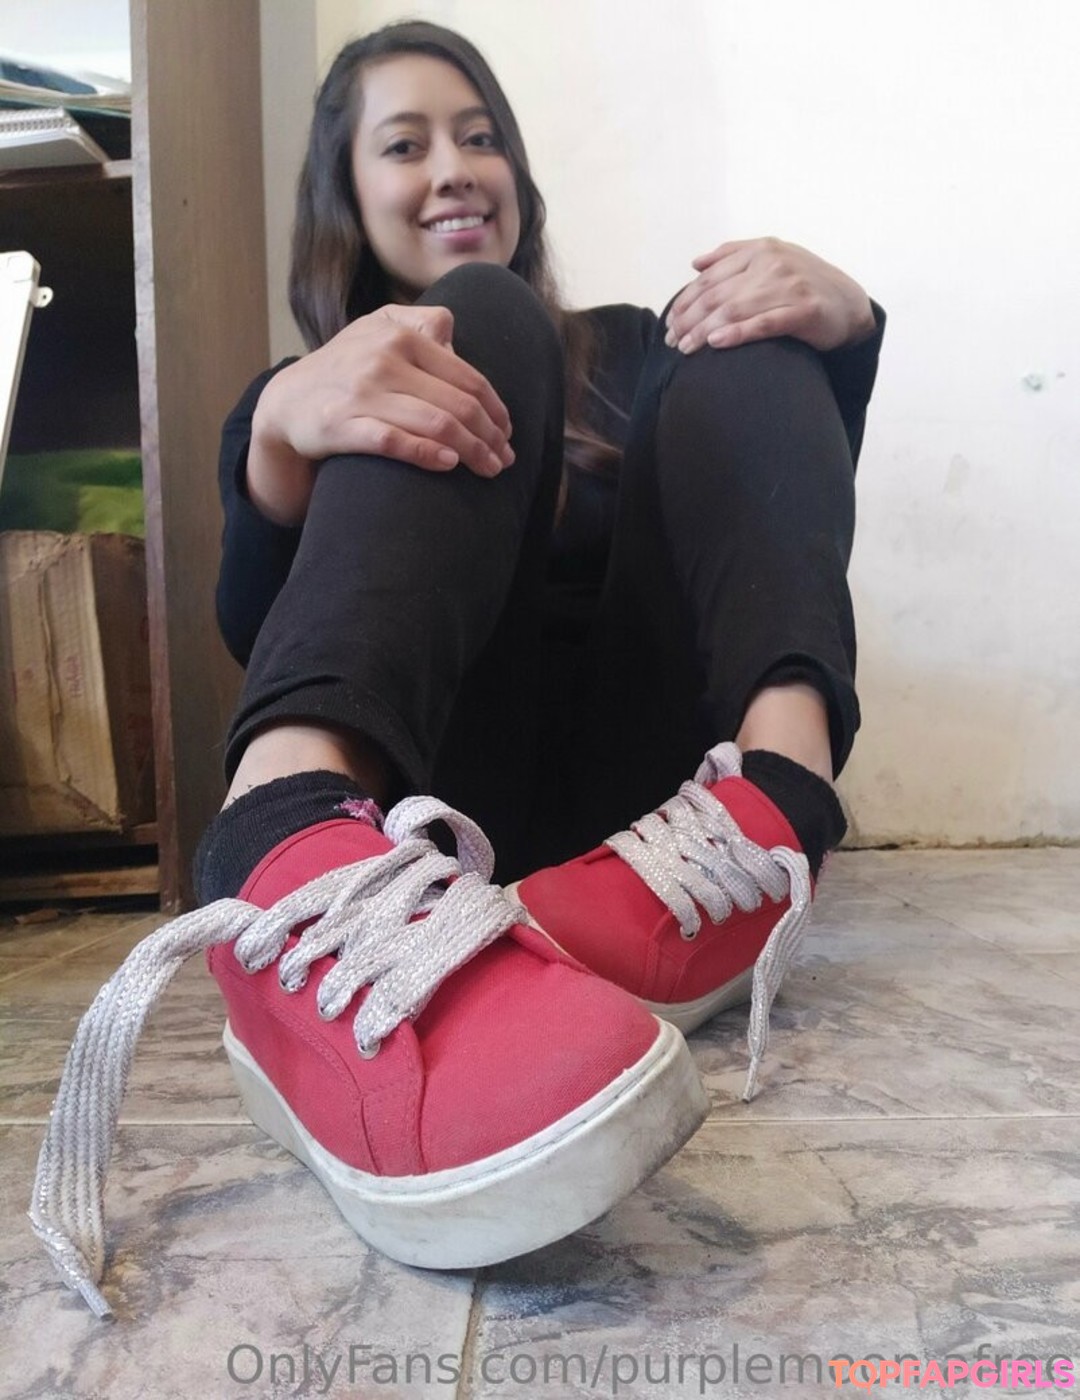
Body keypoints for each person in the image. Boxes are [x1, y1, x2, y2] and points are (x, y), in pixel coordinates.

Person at [30, 20, 884, 1316]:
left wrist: (845, 326)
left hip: (667, 815)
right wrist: (278, 434)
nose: (452, 169)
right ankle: (282, 846)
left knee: (739, 330)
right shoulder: (319, 386)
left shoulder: (638, 354)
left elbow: (774, 527)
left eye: (479, 137)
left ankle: (782, 801)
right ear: (345, 194)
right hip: (431, 818)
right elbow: (262, 623)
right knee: (461, 323)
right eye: (405, 144)